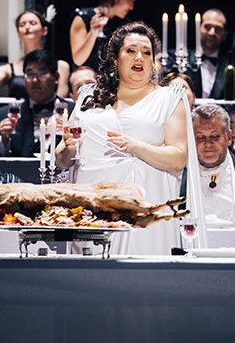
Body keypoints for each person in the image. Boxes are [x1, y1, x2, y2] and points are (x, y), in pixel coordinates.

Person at [55, 21, 208, 254]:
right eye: (131, 50)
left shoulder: (169, 99)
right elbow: (61, 160)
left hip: (145, 207)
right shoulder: (88, 96)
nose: (139, 57)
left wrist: (137, 147)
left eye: (147, 53)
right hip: (92, 207)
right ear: (115, 59)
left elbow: (178, 159)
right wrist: (69, 148)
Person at [0, 50, 74, 157]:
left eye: (41, 73)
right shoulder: (3, 116)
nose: (35, 80)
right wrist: (4, 141)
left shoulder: (74, 112)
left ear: (56, 77)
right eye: (30, 74)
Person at [0, 10, 71, 99]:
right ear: (18, 33)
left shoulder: (61, 66)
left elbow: (61, 101)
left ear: (44, 30)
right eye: (22, 25)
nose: (27, 27)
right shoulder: (9, 69)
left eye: (32, 23)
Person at [70, 0, 138, 69]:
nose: (131, 7)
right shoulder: (83, 17)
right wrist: (92, 33)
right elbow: (78, 60)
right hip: (86, 76)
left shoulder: (124, 24)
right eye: (131, 0)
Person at [167, 9, 232, 99]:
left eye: (217, 29)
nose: (212, 33)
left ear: (224, 35)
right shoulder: (178, 59)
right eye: (207, 27)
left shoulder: (229, 65)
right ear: (199, 29)